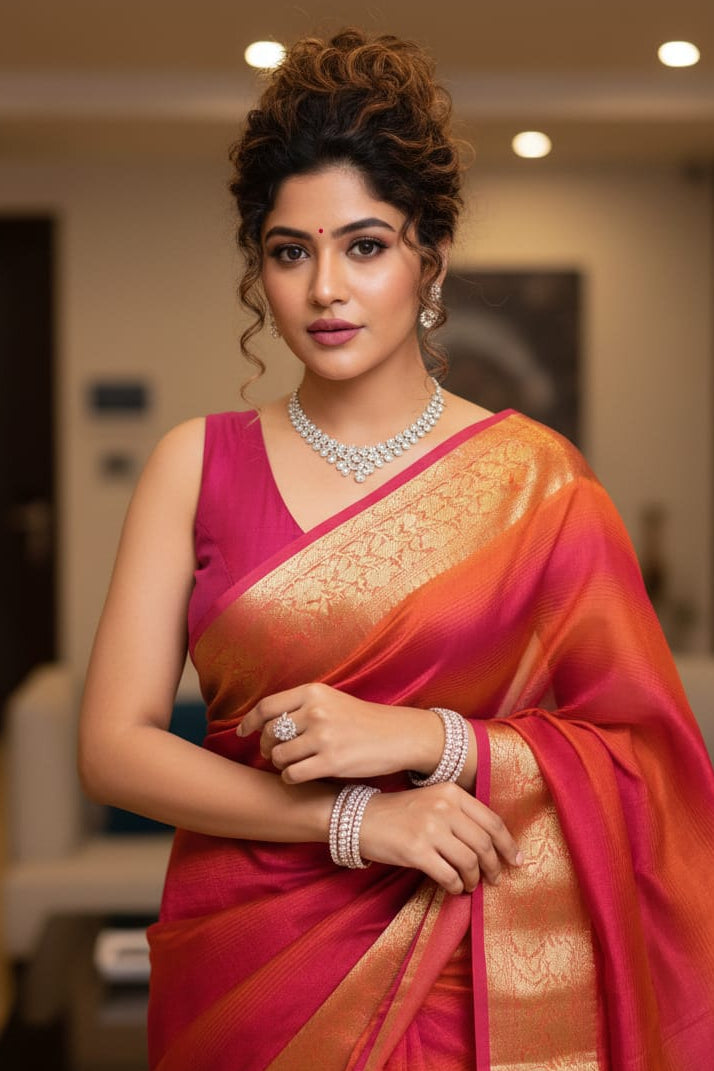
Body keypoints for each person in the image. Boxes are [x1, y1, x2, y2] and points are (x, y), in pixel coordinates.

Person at [78, 28, 714, 1071]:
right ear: (261, 269)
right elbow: (114, 747)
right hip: (247, 969)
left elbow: (650, 768)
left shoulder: (539, 484)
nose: (326, 287)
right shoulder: (192, 465)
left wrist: (435, 741)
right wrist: (355, 821)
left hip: (474, 969)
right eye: (292, 252)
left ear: (432, 257)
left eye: (365, 245)